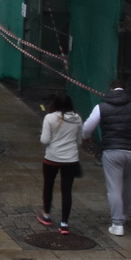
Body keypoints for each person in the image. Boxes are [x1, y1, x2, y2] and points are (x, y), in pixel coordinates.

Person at [81, 81, 131, 236]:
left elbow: (87, 128)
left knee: (114, 187)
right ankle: (124, 216)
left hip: (111, 152)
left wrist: (86, 138)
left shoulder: (101, 107)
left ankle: (117, 224)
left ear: (111, 89)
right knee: (128, 186)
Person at [38, 92, 83, 234]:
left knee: (48, 185)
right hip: (71, 159)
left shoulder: (50, 118)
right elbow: (79, 141)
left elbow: (44, 140)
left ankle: (46, 215)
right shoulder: (78, 118)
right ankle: (64, 224)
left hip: (52, 158)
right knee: (67, 190)